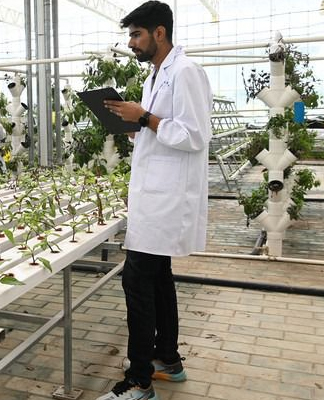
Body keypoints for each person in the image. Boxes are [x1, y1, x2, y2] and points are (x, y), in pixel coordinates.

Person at [100, 2, 212, 400]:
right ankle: (167, 359)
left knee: (137, 280)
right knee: (159, 277)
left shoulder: (185, 72)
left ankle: (139, 380)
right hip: (154, 196)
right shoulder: (157, 75)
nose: (131, 43)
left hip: (167, 199)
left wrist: (145, 118)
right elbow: (164, 129)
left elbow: (194, 136)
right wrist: (137, 126)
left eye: (136, 35)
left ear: (159, 33)